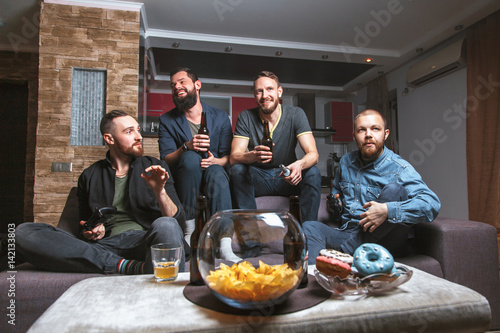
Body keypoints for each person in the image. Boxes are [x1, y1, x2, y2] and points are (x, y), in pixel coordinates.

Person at [16, 110, 187, 274]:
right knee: (23, 232)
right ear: (109, 138)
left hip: (144, 241)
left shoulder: (155, 167)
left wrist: (160, 191)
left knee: (167, 225)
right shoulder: (89, 175)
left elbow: (178, 223)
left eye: (138, 130)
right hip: (104, 246)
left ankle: (107, 264)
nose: (138, 136)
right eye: (129, 132)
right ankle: (127, 266)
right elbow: (84, 225)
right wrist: (91, 231)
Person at [303, 109, 441, 264]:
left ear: (386, 134)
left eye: (375, 129)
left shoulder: (399, 168)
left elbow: (432, 204)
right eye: (361, 130)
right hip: (349, 232)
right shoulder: (346, 162)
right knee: (310, 226)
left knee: (394, 191)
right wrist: (335, 201)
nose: (368, 134)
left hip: (386, 241)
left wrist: (388, 210)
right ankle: (315, 272)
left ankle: (345, 252)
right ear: (354, 135)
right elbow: (336, 190)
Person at [230, 70, 322, 221]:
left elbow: (313, 154)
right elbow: (234, 157)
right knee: (237, 169)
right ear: (255, 95)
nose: (264, 95)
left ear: (279, 92)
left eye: (269, 89)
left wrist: (299, 165)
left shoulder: (296, 114)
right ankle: (251, 236)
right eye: (259, 91)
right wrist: (252, 155)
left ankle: (308, 233)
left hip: (286, 177)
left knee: (313, 172)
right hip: (258, 177)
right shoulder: (246, 116)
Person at [158, 67, 233, 245]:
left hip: (213, 172)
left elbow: (229, 156)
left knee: (216, 170)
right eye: (173, 85)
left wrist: (217, 161)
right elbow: (166, 158)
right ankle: (189, 232)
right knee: (190, 157)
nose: (177, 86)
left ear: (197, 85)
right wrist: (186, 146)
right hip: (186, 174)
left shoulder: (220, 116)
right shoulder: (167, 120)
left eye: (182, 81)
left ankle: (224, 243)